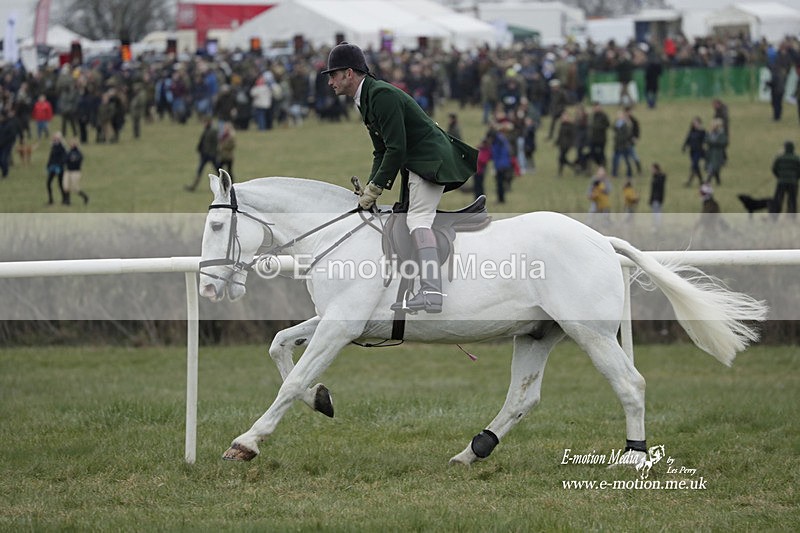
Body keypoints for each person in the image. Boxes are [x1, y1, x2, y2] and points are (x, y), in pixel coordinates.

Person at [324, 42, 477, 314]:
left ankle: (432, 290)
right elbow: (381, 150)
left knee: (418, 220)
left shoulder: (380, 95)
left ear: (349, 73)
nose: (330, 82)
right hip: (415, 162)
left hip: (430, 161)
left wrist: (376, 189)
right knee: (405, 218)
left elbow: (397, 149)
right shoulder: (367, 98)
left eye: (332, 75)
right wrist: (370, 188)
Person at [186, 119, 218, 191]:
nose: (204, 124)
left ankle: (226, 185)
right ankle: (193, 186)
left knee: (218, 170)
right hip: (205, 155)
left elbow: (215, 143)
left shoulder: (212, 132)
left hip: (211, 155)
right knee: (199, 171)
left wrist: (213, 153)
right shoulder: (206, 131)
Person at [770, 141, 800, 219]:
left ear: (785, 148)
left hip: (781, 182)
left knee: (778, 200)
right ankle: (792, 218)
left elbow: (774, 168)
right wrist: (796, 177)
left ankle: (774, 218)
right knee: (792, 201)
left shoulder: (779, 158)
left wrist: (779, 176)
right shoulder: (797, 158)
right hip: (793, 182)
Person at [63, 138, 89, 205]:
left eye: (73, 143)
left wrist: (72, 160)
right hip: (68, 171)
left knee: (75, 188)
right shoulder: (68, 152)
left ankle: (85, 197)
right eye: (71, 143)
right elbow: (65, 160)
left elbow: (78, 161)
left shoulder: (78, 153)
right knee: (66, 186)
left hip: (75, 172)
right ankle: (67, 201)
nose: (71, 144)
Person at [682, 117, 706, 186]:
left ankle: (692, 181)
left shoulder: (702, 132)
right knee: (695, 167)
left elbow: (705, 140)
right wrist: (684, 147)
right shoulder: (691, 131)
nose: (695, 124)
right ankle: (700, 181)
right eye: (694, 123)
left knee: (694, 165)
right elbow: (687, 139)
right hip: (692, 151)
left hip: (698, 151)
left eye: (696, 123)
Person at [45, 132, 68, 205]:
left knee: (60, 184)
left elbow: (64, 158)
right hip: (52, 167)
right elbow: (51, 157)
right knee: (48, 183)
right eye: (54, 138)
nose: (55, 139)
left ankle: (65, 199)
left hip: (59, 168)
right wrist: (48, 165)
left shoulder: (62, 147)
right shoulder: (53, 146)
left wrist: (60, 166)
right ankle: (50, 199)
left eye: (57, 138)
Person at [704, 118, 727, 185]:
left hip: (717, 154)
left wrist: (713, 142)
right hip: (710, 154)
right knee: (714, 168)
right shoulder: (710, 134)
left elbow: (724, 142)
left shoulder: (721, 134)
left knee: (713, 167)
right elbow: (706, 140)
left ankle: (707, 181)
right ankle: (718, 181)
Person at [649, 163, 666, 230]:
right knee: (656, 213)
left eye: (653, 169)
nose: (651, 170)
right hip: (655, 198)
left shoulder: (660, 177)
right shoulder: (655, 177)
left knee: (656, 213)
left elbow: (657, 187)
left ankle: (656, 226)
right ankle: (656, 226)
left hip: (657, 198)